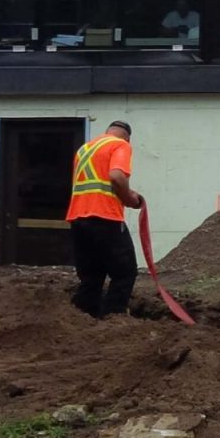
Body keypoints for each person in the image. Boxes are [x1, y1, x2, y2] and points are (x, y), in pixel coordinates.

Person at [66, 119, 144, 317]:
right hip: (105, 217)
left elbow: (97, 182)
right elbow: (117, 177)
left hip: (78, 218)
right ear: (127, 137)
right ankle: (114, 319)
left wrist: (126, 192)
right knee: (125, 272)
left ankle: (81, 318)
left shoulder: (85, 149)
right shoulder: (120, 145)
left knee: (91, 276)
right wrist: (129, 199)